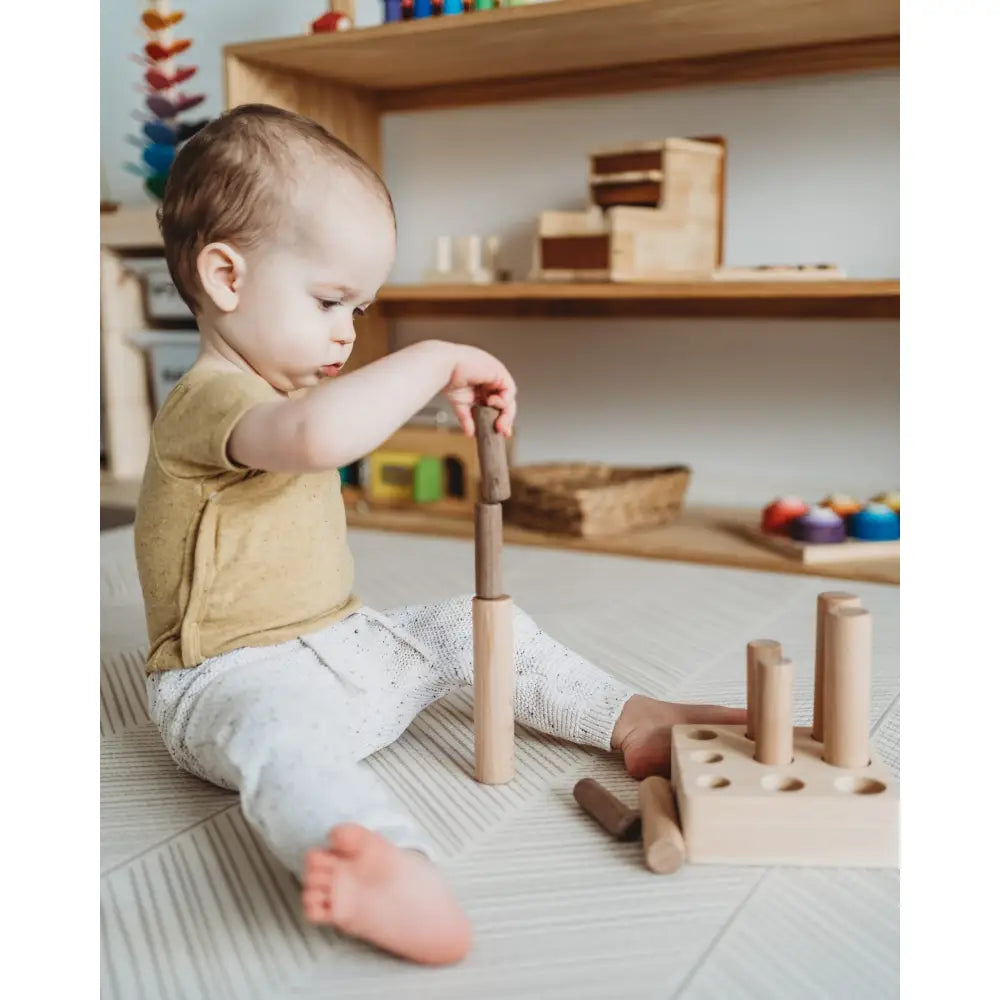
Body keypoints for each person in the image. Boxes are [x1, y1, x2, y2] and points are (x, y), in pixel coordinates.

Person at [134, 104, 745, 966]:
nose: (350, 329)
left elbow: (329, 420)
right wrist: (437, 357)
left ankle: (626, 718)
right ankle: (388, 864)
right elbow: (318, 436)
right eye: (329, 300)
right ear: (226, 278)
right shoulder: (210, 400)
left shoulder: (283, 392)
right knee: (284, 746)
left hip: (343, 645)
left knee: (468, 623)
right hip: (226, 683)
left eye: (364, 305)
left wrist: (424, 383)